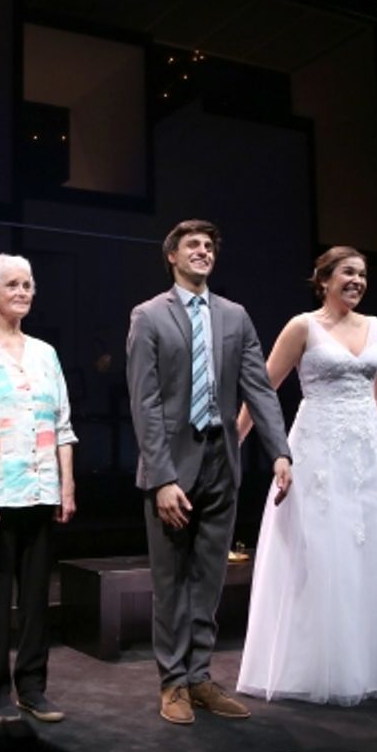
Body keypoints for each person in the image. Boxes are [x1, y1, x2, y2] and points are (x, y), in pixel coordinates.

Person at [237, 246, 377, 706]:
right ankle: (315, 663)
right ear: (323, 278)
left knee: (369, 550)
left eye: (363, 275)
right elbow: (265, 387)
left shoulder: (376, 327)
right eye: (348, 272)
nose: (357, 281)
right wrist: (235, 440)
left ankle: (368, 664)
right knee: (321, 551)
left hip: (366, 454)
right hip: (318, 449)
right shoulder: (302, 326)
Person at [126, 220, 292, 725]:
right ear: (172, 256)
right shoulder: (149, 315)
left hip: (222, 460)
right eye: (192, 245)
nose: (203, 251)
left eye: (209, 246)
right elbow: (145, 400)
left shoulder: (234, 316)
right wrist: (162, 477)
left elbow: (259, 387)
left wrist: (279, 451)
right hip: (173, 466)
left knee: (210, 579)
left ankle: (199, 678)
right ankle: (172, 682)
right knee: (171, 580)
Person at [0, 254, 78, 725]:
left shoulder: (45, 353)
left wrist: (67, 483)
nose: (23, 292)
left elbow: (62, 424)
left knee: (38, 596)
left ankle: (33, 687)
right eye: (13, 285)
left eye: (28, 284)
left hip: (42, 489)